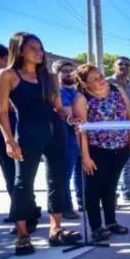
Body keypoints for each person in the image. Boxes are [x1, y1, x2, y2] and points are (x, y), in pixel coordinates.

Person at [0, 32, 81, 255]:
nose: (39, 52)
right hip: (27, 132)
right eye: (33, 48)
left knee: (58, 180)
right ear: (19, 50)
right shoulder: (8, 75)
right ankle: (23, 234)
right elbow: (2, 111)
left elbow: (58, 107)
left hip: (56, 131)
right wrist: (8, 139)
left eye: (40, 47)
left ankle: (56, 229)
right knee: (23, 182)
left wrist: (69, 117)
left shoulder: (49, 77)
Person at [73, 64, 130, 242]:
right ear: (85, 84)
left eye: (100, 76)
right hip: (96, 150)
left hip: (120, 148)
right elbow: (81, 130)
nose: (100, 80)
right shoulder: (82, 99)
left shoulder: (117, 90)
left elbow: (129, 115)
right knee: (93, 189)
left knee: (111, 186)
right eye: (94, 79)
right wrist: (85, 156)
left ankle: (111, 222)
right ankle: (96, 227)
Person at [106, 57, 130, 203]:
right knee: (112, 163)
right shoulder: (107, 83)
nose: (124, 67)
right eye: (120, 64)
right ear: (114, 66)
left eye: (127, 65)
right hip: (111, 130)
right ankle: (110, 195)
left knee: (129, 160)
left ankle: (127, 191)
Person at [0, 42, 21, 225]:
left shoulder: (15, 78)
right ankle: (19, 211)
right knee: (8, 175)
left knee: (16, 176)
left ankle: (25, 217)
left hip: (13, 132)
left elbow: (16, 106)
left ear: (4, 58)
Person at [53, 60, 81, 219]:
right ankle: (65, 206)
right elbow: (70, 113)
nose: (69, 73)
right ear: (57, 73)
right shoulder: (57, 91)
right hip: (65, 136)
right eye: (64, 70)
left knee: (81, 172)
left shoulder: (77, 91)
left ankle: (81, 201)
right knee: (65, 173)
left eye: (71, 70)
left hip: (80, 135)